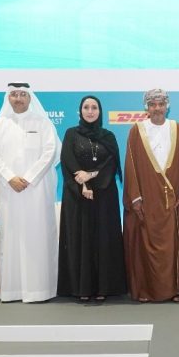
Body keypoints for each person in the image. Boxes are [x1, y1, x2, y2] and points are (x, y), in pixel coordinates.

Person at [0, 83, 61, 303]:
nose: (18, 98)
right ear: (8, 98)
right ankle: (12, 290)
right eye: (14, 95)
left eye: (22, 94)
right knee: (11, 237)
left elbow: (50, 152)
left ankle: (40, 290)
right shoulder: (0, 124)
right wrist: (10, 177)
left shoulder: (43, 123)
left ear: (30, 98)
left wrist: (28, 178)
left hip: (37, 190)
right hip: (9, 190)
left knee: (38, 237)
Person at [122, 89, 179, 303]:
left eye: (161, 104)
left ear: (167, 106)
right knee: (144, 244)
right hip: (146, 199)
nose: (157, 108)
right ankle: (145, 290)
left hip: (173, 201)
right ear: (146, 107)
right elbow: (130, 166)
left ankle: (173, 289)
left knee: (172, 245)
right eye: (152, 104)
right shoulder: (137, 131)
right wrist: (135, 198)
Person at [57, 95, 127, 303]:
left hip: (105, 196)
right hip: (77, 196)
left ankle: (104, 286)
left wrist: (91, 175)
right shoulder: (71, 133)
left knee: (103, 239)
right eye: (86, 107)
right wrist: (83, 184)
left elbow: (111, 163)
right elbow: (67, 160)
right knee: (80, 239)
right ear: (80, 111)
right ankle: (81, 288)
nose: (90, 111)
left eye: (94, 107)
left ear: (100, 111)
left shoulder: (108, 136)